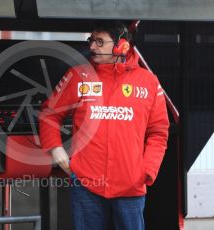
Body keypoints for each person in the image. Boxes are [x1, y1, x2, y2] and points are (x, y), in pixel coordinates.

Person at [39, 21, 169, 230]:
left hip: (131, 185)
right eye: (92, 40)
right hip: (86, 183)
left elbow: (159, 132)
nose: (92, 47)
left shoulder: (149, 82)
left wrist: (147, 170)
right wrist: (56, 149)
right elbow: (49, 114)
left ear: (122, 46)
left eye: (100, 42)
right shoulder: (77, 76)